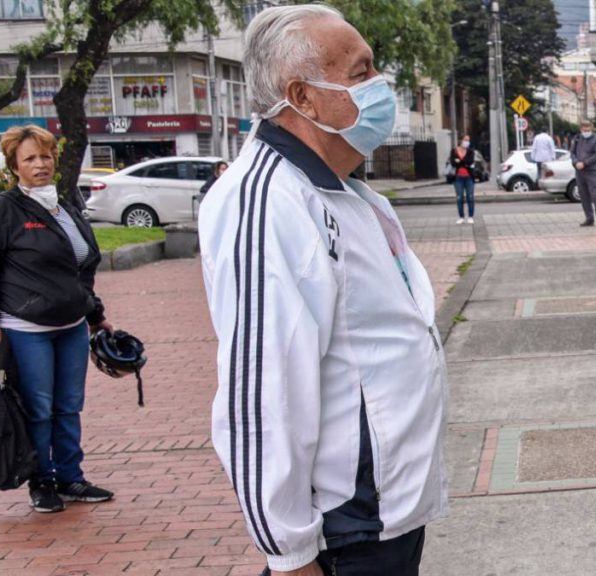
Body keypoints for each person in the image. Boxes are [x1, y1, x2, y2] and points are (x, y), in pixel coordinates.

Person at [198, 6, 447, 576]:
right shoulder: (269, 202)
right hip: (343, 532)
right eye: (361, 73)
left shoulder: (341, 191)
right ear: (302, 97)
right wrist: (289, 553)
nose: (380, 85)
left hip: (385, 515)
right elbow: (261, 393)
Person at [0, 125, 116, 513]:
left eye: (46, 156)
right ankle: (42, 480)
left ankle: (70, 477)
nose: (40, 164)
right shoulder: (0, 211)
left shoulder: (65, 208)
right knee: (38, 408)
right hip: (25, 328)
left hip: (71, 327)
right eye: (30, 158)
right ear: (14, 166)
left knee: (68, 406)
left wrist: (96, 315)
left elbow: (79, 270)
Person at [570, 120, 596, 227]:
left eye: (588, 129)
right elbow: (572, 153)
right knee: (584, 196)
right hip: (579, 172)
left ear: (591, 128)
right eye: (584, 129)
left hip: (591, 171)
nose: (586, 131)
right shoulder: (577, 138)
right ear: (581, 129)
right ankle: (589, 219)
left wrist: (585, 163)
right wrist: (576, 162)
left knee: (595, 196)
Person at [449, 134, 476, 224]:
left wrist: (460, 162)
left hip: (469, 177)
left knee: (470, 197)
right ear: (461, 140)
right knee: (459, 198)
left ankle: (470, 216)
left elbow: (470, 162)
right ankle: (461, 217)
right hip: (458, 178)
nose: (467, 142)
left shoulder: (470, 151)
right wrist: (464, 163)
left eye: (468, 140)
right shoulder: (454, 151)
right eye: (465, 140)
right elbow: (453, 163)